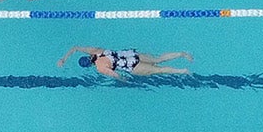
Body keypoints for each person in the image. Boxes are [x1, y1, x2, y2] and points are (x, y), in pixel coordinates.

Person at [57, 45, 192, 80]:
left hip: (131, 66)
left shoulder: (100, 67)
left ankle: (182, 71)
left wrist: (126, 81)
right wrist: (64, 58)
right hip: (132, 55)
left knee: (159, 70)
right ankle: (182, 54)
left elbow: (117, 76)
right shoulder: (97, 50)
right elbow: (75, 47)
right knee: (158, 59)